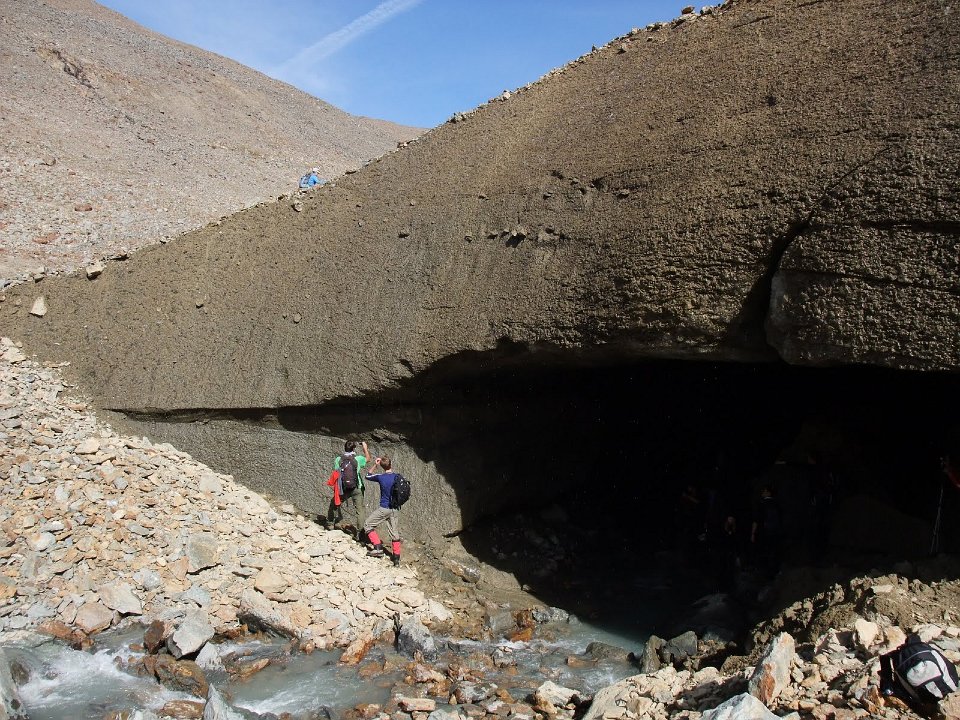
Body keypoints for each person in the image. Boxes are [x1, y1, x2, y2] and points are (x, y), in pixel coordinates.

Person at [363, 455, 402, 566]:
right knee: (394, 533)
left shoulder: (381, 477)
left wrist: (375, 465)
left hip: (384, 508)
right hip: (395, 509)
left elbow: (367, 475)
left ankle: (378, 547)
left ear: (382, 466)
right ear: (391, 464)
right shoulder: (398, 477)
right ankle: (396, 559)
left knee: (367, 525)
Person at [325, 440, 369, 539]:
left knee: (334, 503)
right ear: (354, 449)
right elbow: (368, 459)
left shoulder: (338, 459)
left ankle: (330, 523)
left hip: (343, 488)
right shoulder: (358, 459)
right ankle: (360, 533)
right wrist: (365, 448)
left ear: (344, 448)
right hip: (356, 487)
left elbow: (337, 472)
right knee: (360, 510)